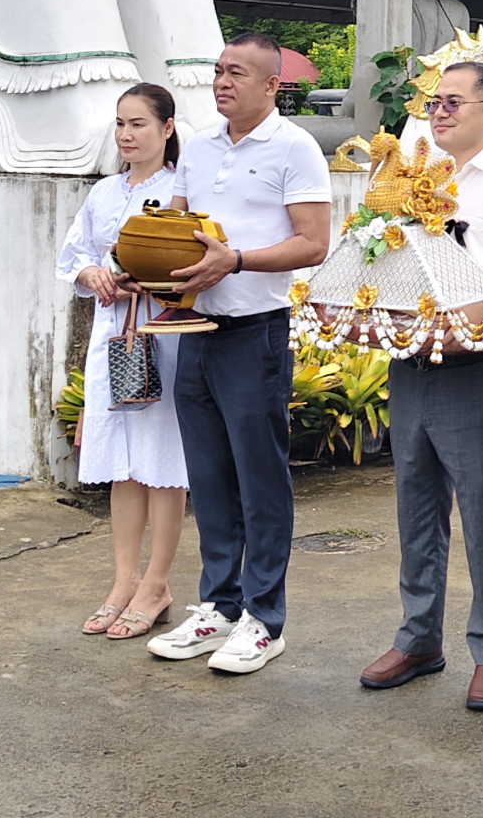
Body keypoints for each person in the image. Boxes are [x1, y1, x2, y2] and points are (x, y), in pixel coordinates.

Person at [146, 34, 332, 673]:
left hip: (256, 332)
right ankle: (219, 606)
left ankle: (264, 618)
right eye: (218, 72)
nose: (223, 82)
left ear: (271, 85)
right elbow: (176, 226)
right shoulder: (197, 147)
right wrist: (153, 261)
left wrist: (239, 260)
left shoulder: (295, 147)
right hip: (195, 330)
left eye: (237, 73)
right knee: (209, 477)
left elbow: (313, 243)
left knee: (259, 479)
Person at [361, 61, 483, 711]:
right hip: (408, 363)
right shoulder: (413, 176)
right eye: (434, 104)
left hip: (473, 370)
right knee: (415, 512)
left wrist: (478, 316)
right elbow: (378, 256)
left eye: (452, 104)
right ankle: (418, 638)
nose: (437, 114)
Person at [58, 85, 189, 640]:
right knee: (119, 460)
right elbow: (75, 255)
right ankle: (122, 580)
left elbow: (194, 256)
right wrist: (92, 275)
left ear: (167, 128)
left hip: (162, 334)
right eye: (120, 124)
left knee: (161, 459)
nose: (127, 135)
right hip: (114, 334)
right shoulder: (104, 192)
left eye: (138, 123)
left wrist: (148, 276)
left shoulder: (182, 189)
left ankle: (157, 583)